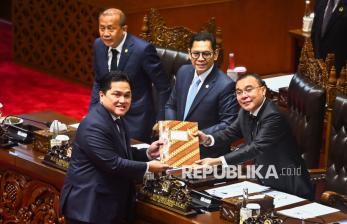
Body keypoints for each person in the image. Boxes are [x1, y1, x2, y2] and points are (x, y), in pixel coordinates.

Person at [60, 71, 170, 224]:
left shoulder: (115, 117)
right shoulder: (94, 125)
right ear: (102, 95)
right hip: (88, 209)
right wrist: (148, 166)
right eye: (116, 94)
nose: (122, 100)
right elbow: (113, 163)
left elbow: (119, 151)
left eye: (127, 95)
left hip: (106, 206)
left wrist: (148, 153)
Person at [194, 74, 314, 200]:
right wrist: (207, 139)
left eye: (249, 90)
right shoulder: (245, 111)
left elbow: (255, 148)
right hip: (266, 181)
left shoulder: (273, 116)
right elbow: (230, 133)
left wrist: (217, 161)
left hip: (290, 186)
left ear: (263, 90)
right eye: (239, 92)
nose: (243, 96)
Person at [90, 8, 171, 143]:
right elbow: (99, 81)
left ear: (124, 29)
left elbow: (164, 87)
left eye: (110, 29)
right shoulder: (98, 45)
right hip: (106, 114)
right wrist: (93, 111)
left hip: (136, 118)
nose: (105, 34)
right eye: (102, 28)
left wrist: (162, 121)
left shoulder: (143, 50)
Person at [165, 32, 239, 159]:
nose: (200, 59)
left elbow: (228, 123)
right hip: (177, 147)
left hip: (207, 153)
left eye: (206, 54)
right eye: (196, 53)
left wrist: (194, 134)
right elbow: (171, 105)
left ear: (215, 54)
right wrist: (173, 128)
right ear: (189, 53)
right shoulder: (183, 72)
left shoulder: (225, 85)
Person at [311, 0, 347, 76]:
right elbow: (314, 33)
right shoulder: (321, 2)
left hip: (340, 73)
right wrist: (317, 60)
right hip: (318, 68)